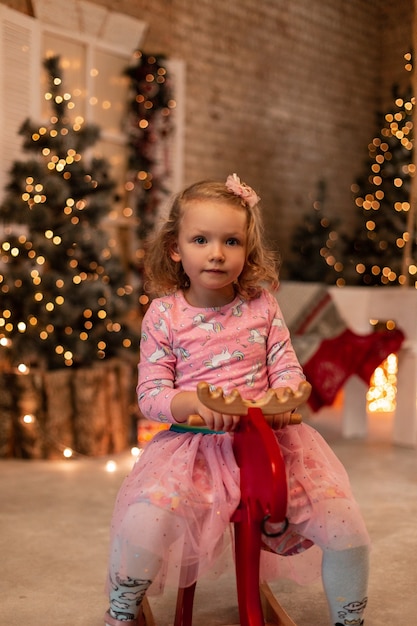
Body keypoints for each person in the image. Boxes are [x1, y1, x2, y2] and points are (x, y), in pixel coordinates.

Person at [105, 174, 370, 626]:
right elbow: (151, 394)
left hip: (270, 442)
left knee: (346, 524)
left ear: (247, 250)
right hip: (194, 451)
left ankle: (351, 618)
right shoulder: (165, 314)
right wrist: (191, 405)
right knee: (142, 523)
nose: (216, 253)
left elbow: (286, 366)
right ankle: (121, 608)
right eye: (201, 239)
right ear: (175, 247)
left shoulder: (261, 305)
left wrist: (285, 396)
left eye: (232, 241)